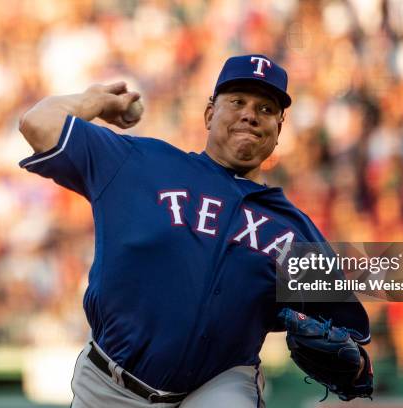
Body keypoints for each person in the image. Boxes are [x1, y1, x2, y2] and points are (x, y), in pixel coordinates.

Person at [18, 54, 370, 407]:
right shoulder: (139, 164)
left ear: (278, 130)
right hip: (109, 387)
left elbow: (352, 344)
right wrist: (94, 101)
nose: (250, 113)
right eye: (237, 102)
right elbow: (37, 123)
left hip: (218, 386)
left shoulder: (292, 232)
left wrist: (353, 368)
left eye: (266, 109)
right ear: (208, 114)